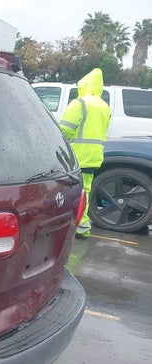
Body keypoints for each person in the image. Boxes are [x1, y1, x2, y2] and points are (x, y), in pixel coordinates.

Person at [58, 68, 111, 239]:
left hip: (76, 156)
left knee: (67, 191)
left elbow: (64, 129)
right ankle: (82, 226)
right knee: (84, 191)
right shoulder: (104, 106)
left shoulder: (80, 103)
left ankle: (75, 224)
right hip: (94, 156)